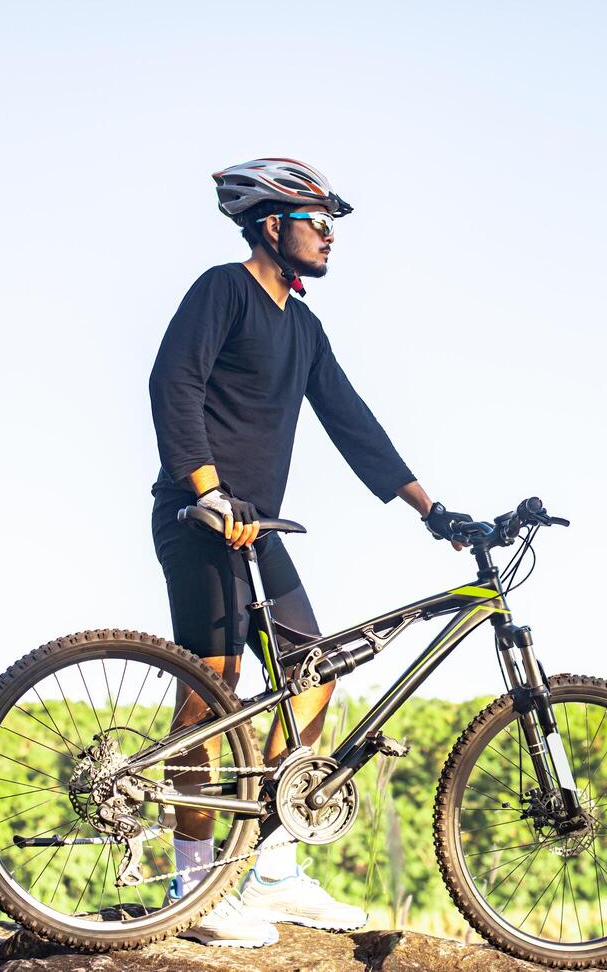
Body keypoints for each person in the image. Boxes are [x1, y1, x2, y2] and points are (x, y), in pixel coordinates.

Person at [147, 157, 472, 948]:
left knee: (315, 676)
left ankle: (270, 870)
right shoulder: (223, 290)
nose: (329, 237)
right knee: (211, 693)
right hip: (202, 520)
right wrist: (207, 488)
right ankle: (194, 885)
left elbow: (350, 420)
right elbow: (171, 383)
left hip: (259, 532)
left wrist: (433, 511)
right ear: (271, 226)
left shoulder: (303, 325)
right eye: (316, 222)